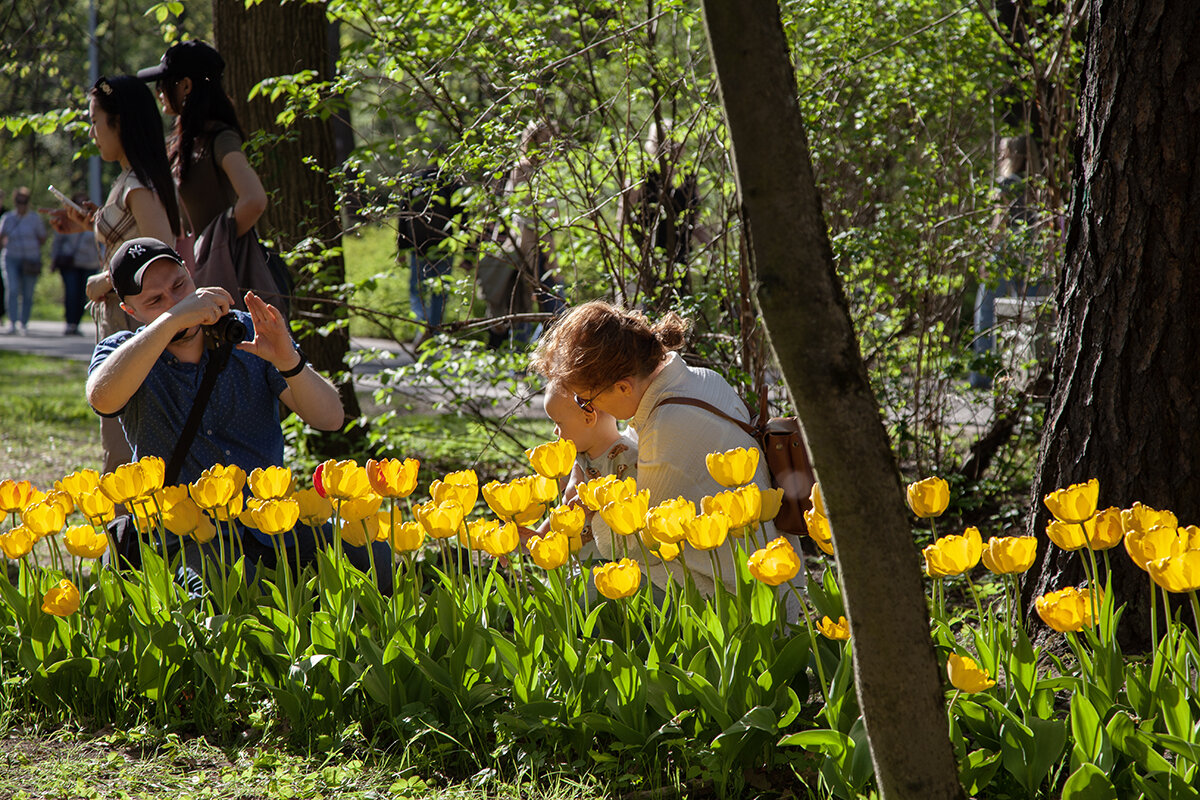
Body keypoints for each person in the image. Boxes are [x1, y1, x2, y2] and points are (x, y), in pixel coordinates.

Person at [87, 237, 391, 591]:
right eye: (155, 300)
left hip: (273, 519)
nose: (174, 301)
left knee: (369, 552)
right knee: (228, 585)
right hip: (188, 533)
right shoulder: (121, 352)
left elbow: (330, 419)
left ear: (190, 273)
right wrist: (171, 321)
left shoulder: (246, 330)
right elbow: (102, 398)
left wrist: (288, 361)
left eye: (179, 285)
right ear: (131, 311)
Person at [531, 301, 781, 596]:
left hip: (735, 591)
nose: (591, 411)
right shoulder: (696, 380)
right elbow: (630, 441)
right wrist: (578, 472)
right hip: (759, 563)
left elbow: (631, 540)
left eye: (586, 401)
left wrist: (587, 508)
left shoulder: (668, 427)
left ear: (624, 387)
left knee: (589, 589)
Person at [49, 75, 181, 473]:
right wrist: (89, 222)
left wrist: (103, 281)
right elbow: (135, 239)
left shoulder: (136, 184)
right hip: (127, 321)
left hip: (131, 324)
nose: (93, 132)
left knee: (122, 439)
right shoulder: (133, 180)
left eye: (95, 120)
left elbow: (162, 250)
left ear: (119, 123)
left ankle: (126, 532)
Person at [139, 40, 268, 307]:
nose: (159, 92)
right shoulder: (187, 144)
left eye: (164, 83)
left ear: (185, 85)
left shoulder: (220, 138)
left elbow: (254, 200)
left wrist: (213, 244)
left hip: (227, 278)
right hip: (196, 278)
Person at [537, 379, 638, 559]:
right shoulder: (575, 457)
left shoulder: (628, 460)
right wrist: (540, 534)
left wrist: (594, 509)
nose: (555, 432)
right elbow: (564, 507)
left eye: (558, 423)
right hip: (576, 563)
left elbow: (631, 516)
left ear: (588, 418)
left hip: (611, 564)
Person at [970, 135, 1040, 390]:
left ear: (1015, 155)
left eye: (1003, 152)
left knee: (986, 309)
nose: (999, 157)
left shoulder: (1007, 183)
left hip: (1006, 249)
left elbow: (999, 222)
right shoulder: (1039, 184)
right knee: (1031, 312)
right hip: (1034, 250)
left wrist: (988, 254)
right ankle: (1031, 374)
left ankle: (983, 374)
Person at [621, 120, 708, 308]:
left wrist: (710, 247)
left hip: (679, 260)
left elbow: (695, 220)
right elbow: (624, 216)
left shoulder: (688, 177)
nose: (673, 149)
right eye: (667, 143)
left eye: (677, 143)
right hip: (647, 259)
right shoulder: (642, 175)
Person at [397, 164, 466, 344]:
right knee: (440, 292)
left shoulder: (415, 179)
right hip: (443, 246)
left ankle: (422, 326)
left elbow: (403, 214)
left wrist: (401, 247)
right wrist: (468, 250)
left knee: (417, 290)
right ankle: (432, 332)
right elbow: (463, 214)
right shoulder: (449, 182)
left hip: (418, 246)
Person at [49, 193, 102, 335]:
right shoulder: (68, 220)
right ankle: (69, 323)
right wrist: (53, 260)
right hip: (70, 264)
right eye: (78, 204)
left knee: (82, 296)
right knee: (71, 293)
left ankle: (76, 324)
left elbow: (101, 242)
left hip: (89, 263)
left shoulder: (94, 221)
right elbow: (57, 243)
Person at [0, 187, 48, 335]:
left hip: (30, 259)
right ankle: (12, 322)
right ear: (15, 202)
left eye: (24, 201)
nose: (21, 204)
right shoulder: (8, 218)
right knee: (12, 289)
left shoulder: (35, 218)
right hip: (11, 258)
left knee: (27, 292)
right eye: (19, 201)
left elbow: (42, 237)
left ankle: (23, 323)